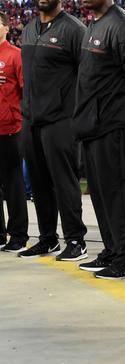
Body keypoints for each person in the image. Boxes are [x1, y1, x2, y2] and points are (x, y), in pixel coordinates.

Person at [73, 0, 125, 279]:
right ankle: (113, 250)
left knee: (118, 193)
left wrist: (122, 105)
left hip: (114, 123)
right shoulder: (96, 22)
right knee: (103, 195)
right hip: (94, 124)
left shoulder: (121, 25)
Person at [18, 0, 88, 261]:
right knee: (39, 183)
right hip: (31, 119)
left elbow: (87, 75)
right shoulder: (28, 29)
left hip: (61, 119)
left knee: (64, 182)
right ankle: (48, 239)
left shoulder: (74, 30)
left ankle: (76, 240)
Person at [0, 11, 29, 254]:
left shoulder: (15, 55)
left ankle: (18, 235)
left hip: (11, 129)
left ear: (5, 28)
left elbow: (25, 91)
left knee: (13, 184)